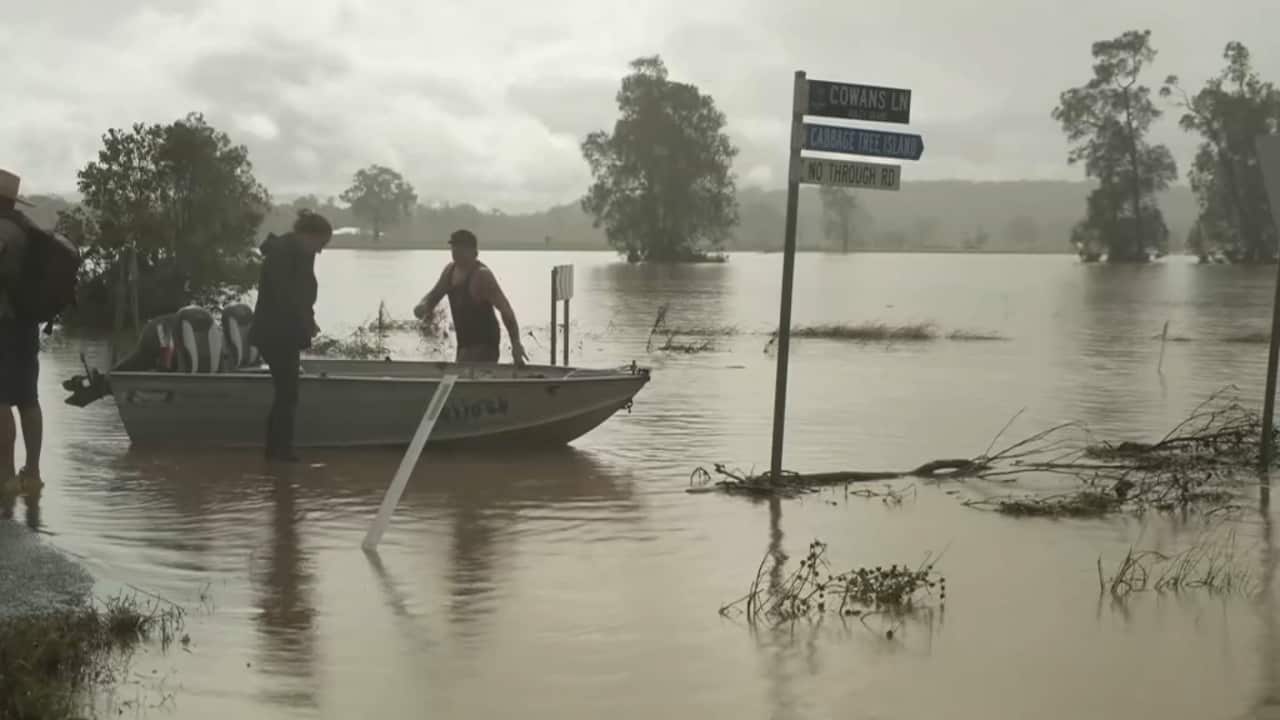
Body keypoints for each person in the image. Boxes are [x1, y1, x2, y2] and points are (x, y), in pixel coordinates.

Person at [249, 210, 332, 462]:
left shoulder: (299, 253)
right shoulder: (283, 254)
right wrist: (305, 320)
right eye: (321, 243)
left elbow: (302, 293)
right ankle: (277, 452)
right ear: (308, 235)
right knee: (287, 392)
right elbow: (286, 296)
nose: (320, 251)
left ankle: (278, 450)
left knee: (288, 392)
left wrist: (309, 319)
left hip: (286, 331)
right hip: (275, 332)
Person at [413, 229, 528, 365]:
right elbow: (434, 295)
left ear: (474, 252)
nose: (457, 252)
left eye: (462, 248)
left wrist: (516, 344)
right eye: (454, 248)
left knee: (467, 372)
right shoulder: (450, 271)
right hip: (464, 344)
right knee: (458, 372)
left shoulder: (482, 276)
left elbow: (506, 310)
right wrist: (423, 306)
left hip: (485, 345)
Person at [0, 169, 43, 489]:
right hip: (29, 324)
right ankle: (33, 473)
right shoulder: (29, 228)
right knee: (28, 398)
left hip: (4, 322)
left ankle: (5, 477)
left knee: (0, 400)